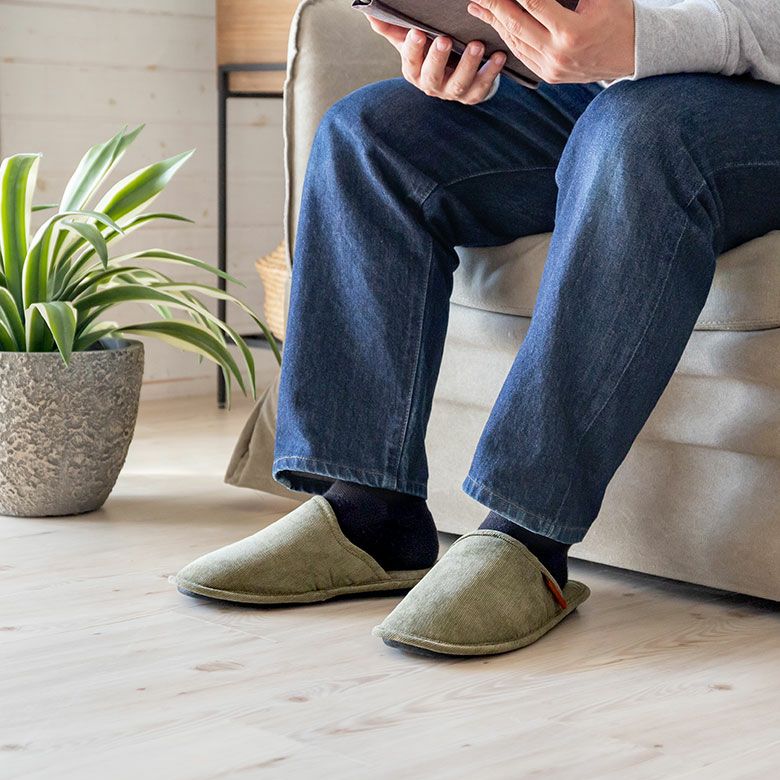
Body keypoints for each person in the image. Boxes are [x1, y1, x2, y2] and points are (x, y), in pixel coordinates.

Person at [174, 0, 780, 657]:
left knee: (635, 133)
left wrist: (649, 37)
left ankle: (528, 540)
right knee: (370, 133)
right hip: (616, 83)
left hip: (738, 100)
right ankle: (368, 517)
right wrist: (492, 50)